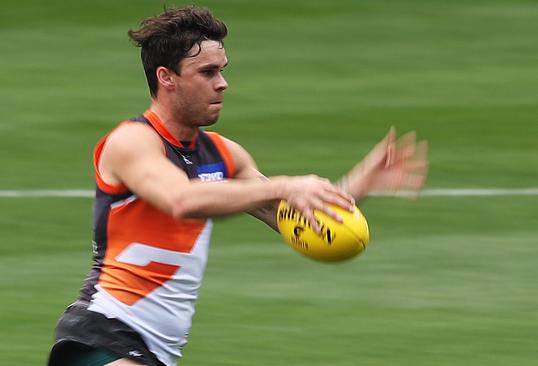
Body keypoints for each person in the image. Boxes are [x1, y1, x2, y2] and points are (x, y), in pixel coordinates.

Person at [48, 6, 427, 366]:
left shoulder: (223, 154)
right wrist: (284, 184)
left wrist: (357, 184)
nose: (222, 84)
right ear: (167, 77)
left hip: (151, 351)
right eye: (207, 73)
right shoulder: (133, 142)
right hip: (100, 334)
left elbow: (289, 217)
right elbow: (181, 199)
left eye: (222, 70)